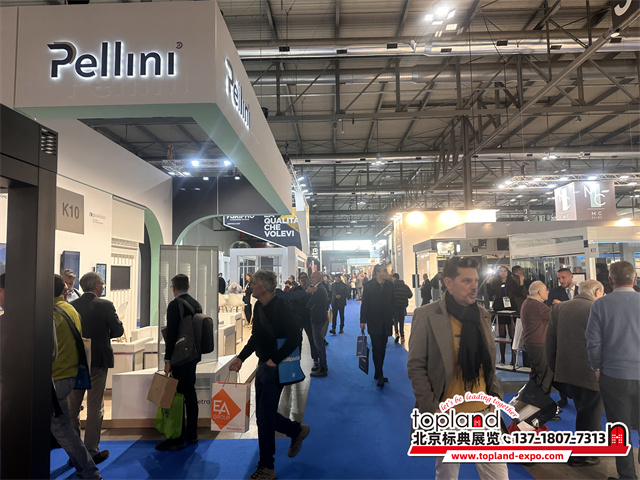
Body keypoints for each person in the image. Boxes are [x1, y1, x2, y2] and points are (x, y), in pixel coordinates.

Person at [407, 257, 507, 480]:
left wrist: (496, 396)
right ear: (449, 283)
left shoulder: (481, 315)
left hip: (484, 413)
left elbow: (488, 363)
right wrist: (432, 408)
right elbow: (416, 366)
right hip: (447, 416)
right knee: (447, 476)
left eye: (476, 280)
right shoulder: (427, 315)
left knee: (499, 476)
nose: (474, 286)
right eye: (466, 281)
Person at [229, 270, 310, 480]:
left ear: (264, 287)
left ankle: (267, 467)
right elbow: (256, 337)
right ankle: (295, 431)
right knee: (264, 416)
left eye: (254, 284)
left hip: (275, 369)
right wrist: (241, 358)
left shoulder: (281, 307)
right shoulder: (259, 306)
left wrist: (275, 360)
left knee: (265, 418)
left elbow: (294, 337)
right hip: (262, 366)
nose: (251, 287)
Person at [586, 260, 640, 480]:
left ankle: (627, 476)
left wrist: (597, 367)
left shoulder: (600, 305)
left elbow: (593, 342)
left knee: (619, 428)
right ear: (634, 279)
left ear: (609, 280)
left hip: (613, 375)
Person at [546, 279, 604, 467]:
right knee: (590, 413)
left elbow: (550, 341)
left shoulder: (560, 308)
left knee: (585, 411)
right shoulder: (598, 309)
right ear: (597, 292)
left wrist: (554, 367)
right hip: (591, 372)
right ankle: (583, 455)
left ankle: (591, 449)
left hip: (566, 371)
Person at [68, 272, 124, 465]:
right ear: (97, 285)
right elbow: (118, 330)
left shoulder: (72, 306)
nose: (103, 286)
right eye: (102, 283)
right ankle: (91, 451)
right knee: (95, 407)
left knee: (73, 407)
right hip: (98, 360)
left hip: (76, 361)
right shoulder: (105, 305)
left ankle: (74, 452)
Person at [51, 274, 102, 479]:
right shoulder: (70, 309)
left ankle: (89, 470)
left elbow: (50, 351)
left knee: (63, 427)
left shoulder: (50, 314)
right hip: (71, 374)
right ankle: (86, 467)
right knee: (63, 425)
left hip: (56, 377)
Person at [156, 274, 203, 451]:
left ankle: (176, 437)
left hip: (179, 356)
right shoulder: (196, 304)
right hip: (192, 354)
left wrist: (167, 359)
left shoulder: (175, 305)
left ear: (173, 288)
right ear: (188, 286)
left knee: (177, 397)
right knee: (190, 393)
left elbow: (173, 335)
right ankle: (192, 433)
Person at [360, 264, 395, 388]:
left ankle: (377, 371)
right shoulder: (369, 286)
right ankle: (380, 374)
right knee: (376, 347)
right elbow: (365, 304)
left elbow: (393, 302)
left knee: (383, 347)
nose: (386, 272)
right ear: (377, 273)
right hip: (373, 320)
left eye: (386, 270)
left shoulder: (390, 285)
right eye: (384, 271)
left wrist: (393, 316)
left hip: (386, 320)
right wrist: (362, 320)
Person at [520, 281, 554, 395]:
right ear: (539, 292)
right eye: (546, 290)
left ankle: (531, 399)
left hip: (531, 343)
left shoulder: (527, 303)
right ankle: (541, 400)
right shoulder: (537, 305)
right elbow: (554, 315)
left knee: (536, 373)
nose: (548, 292)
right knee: (545, 374)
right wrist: (559, 305)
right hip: (539, 344)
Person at [488, 265, 523, 365]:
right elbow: (490, 294)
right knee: (501, 335)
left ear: (507, 272)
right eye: (501, 271)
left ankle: (513, 359)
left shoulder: (512, 283)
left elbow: (518, 293)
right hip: (499, 308)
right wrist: (487, 283)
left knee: (512, 335)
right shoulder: (495, 283)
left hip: (510, 308)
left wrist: (521, 282)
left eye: (504, 271)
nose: (503, 273)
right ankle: (502, 358)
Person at [307, 271, 329, 376]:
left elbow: (309, 304)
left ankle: (323, 368)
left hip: (317, 319)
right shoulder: (321, 288)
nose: (311, 279)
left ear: (319, 278)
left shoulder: (318, 290)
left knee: (318, 344)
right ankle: (322, 365)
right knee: (319, 343)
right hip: (320, 318)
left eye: (313, 277)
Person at [392, 273, 413, 343]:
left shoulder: (393, 286)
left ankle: (396, 333)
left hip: (395, 306)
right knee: (401, 321)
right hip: (402, 306)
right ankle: (402, 336)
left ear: (394, 278)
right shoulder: (405, 286)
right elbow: (410, 295)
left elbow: (389, 295)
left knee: (395, 320)